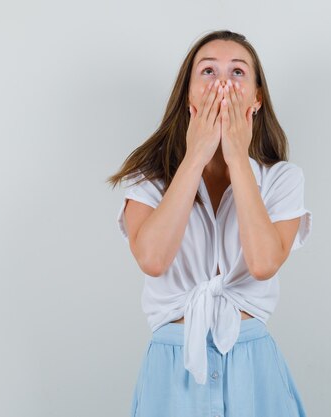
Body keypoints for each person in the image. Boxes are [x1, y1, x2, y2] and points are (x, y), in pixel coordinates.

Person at [107, 29, 312, 417]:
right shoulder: (147, 179)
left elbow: (264, 263)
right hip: (173, 363)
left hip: (253, 364)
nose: (222, 82)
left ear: (256, 98)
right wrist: (196, 155)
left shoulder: (283, 178)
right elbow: (152, 258)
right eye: (208, 71)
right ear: (188, 94)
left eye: (237, 72)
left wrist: (237, 158)